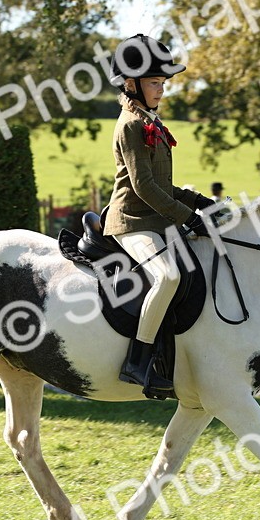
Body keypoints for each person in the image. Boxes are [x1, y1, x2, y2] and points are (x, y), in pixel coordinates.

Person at [105, 34, 228, 398]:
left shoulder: (150, 121)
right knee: (168, 276)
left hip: (156, 220)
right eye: (154, 83)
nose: (161, 90)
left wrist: (201, 201)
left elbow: (164, 184)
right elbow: (143, 187)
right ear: (131, 84)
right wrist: (187, 217)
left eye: (163, 83)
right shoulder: (129, 125)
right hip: (132, 221)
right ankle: (139, 361)